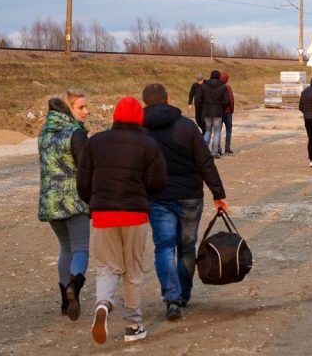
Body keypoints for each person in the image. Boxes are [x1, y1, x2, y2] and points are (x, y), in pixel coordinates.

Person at [77, 96, 168, 344]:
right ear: (139, 117)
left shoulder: (96, 142)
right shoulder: (148, 145)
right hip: (134, 215)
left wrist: (95, 202)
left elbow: (83, 183)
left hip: (103, 215)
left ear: (115, 116)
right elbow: (159, 182)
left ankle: (103, 304)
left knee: (107, 267)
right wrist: (143, 194)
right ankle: (133, 324)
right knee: (133, 271)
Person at [141, 84, 229, 321]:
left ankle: (172, 298)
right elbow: (205, 162)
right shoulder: (187, 126)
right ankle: (183, 294)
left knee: (164, 247)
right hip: (190, 196)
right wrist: (218, 193)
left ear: (145, 103)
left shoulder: (140, 130)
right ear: (168, 99)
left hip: (158, 198)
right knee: (187, 247)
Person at [37, 90, 91, 320]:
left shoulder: (44, 133)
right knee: (80, 249)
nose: (86, 112)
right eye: (81, 107)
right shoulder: (75, 134)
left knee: (65, 249)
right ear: (69, 109)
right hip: (74, 200)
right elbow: (86, 168)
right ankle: (74, 289)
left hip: (50, 201)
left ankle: (64, 302)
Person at [199, 70, 229, 158]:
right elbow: (226, 101)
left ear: (211, 76)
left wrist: (203, 108)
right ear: (219, 76)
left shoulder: (204, 86)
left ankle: (204, 151)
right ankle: (214, 152)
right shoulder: (223, 87)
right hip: (218, 111)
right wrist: (221, 107)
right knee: (217, 131)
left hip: (207, 111)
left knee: (207, 130)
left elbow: (199, 99)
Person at [220, 72, 235, 154]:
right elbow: (231, 100)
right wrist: (231, 110)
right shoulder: (228, 88)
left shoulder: (217, 88)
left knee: (218, 130)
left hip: (219, 112)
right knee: (228, 129)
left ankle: (217, 148)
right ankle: (227, 148)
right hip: (228, 111)